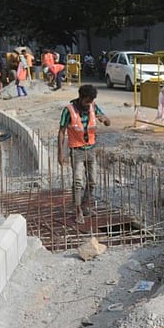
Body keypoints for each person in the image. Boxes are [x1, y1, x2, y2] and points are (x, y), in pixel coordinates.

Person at [58, 84, 111, 224]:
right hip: (77, 151)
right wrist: (61, 153)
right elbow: (61, 132)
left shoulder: (93, 106)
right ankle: (78, 210)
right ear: (81, 98)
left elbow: (107, 122)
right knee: (78, 182)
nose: (89, 104)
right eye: (87, 101)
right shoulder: (69, 110)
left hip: (91, 149)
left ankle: (85, 205)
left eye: (91, 101)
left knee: (92, 181)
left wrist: (105, 120)